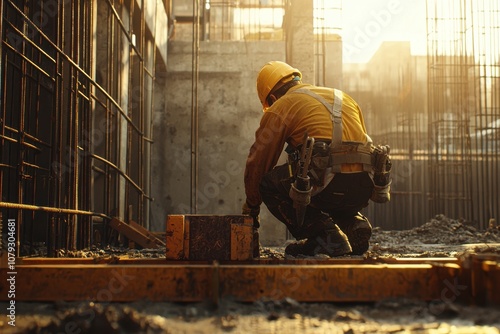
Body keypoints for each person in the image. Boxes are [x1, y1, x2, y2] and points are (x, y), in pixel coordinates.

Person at [242, 61, 392, 257]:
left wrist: (252, 206)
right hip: (363, 185)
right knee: (321, 175)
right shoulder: (343, 97)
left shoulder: (282, 105)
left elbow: (259, 163)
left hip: (325, 185)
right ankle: (353, 224)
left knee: (270, 184)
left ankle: (325, 237)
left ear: (272, 97)